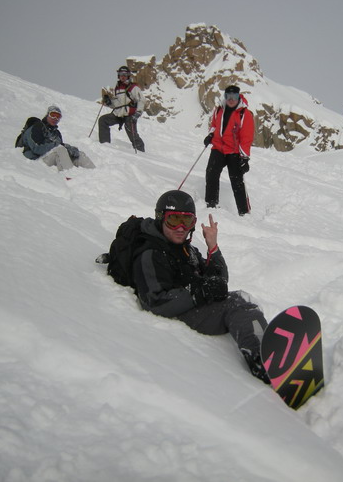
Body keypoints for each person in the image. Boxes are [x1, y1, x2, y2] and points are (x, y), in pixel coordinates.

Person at [132, 190, 270, 383]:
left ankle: (268, 348)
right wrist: (198, 293)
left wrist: (212, 247)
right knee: (239, 303)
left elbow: (220, 280)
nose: (181, 228)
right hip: (179, 312)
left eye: (187, 221)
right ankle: (263, 361)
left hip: (191, 304)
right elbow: (154, 302)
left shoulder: (186, 249)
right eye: (174, 220)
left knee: (241, 299)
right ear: (160, 218)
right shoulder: (152, 254)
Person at [203, 85, 254, 215]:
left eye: (234, 96)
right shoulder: (219, 109)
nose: (231, 99)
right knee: (211, 173)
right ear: (225, 97)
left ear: (239, 97)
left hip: (234, 151)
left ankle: (243, 212)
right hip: (219, 147)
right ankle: (211, 204)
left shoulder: (244, 114)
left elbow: (246, 137)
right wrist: (210, 135)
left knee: (236, 180)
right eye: (228, 96)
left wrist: (244, 158)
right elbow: (214, 125)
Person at [22, 105, 95, 171]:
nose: (55, 118)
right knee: (60, 150)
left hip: (51, 158)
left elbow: (60, 146)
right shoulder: (37, 127)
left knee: (79, 154)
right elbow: (37, 149)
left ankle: (94, 175)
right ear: (47, 115)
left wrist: (69, 149)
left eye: (58, 116)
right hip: (35, 161)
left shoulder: (56, 133)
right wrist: (57, 145)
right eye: (53, 115)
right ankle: (70, 177)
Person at [98, 66, 146, 152]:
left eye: (125, 74)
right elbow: (118, 104)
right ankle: (105, 145)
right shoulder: (117, 88)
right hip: (119, 114)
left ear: (128, 76)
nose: (122, 76)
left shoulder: (133, 87)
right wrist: (109, 102)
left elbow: (141, 100)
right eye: (120, 74)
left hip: (130, 114)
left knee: (132, 134)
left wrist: (138, 113)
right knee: (103, 120)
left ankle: (141, 152)